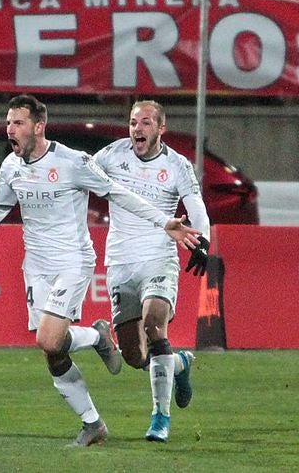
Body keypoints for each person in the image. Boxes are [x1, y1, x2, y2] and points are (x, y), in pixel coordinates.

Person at [0, 94, 202, 447]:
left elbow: (118, 193)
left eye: (17, 123)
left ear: (38, 126)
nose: (10, 129)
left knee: (49, 339)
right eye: (8, 123)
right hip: (35, 266)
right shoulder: (11, 166)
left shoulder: (73, 162)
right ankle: (93, 420)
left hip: (72, 261)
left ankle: (108, 352)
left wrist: (164, 222)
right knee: (55, 350)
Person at [93, 100, 207, 443]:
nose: (137, 129)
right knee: (135, 356)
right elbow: (79, 175)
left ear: (161, 128)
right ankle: (179, 363)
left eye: (145, 123)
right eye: (132, 122)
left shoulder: (177, 166)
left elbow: (196, 206)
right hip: (121, 262)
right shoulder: (112, 156)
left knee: (154, 323)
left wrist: (203, 242)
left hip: (159, 258)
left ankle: (160, 418)